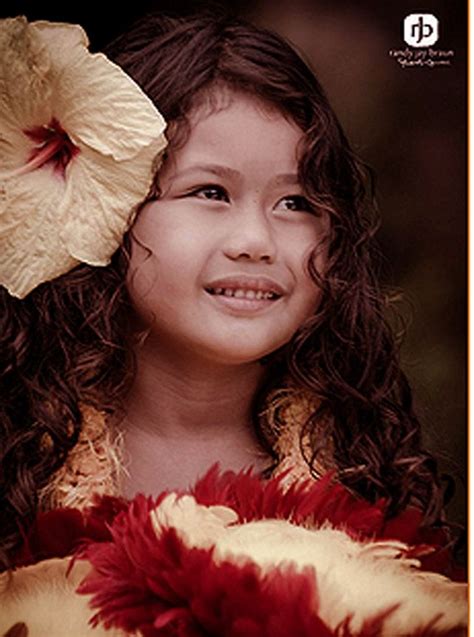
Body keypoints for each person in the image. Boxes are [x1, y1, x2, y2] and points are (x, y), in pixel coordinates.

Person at [0, 11, 465, 636]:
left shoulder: (370, 476)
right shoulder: (17, 460)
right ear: (105, 207)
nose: (256, 240)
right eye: (210, 192)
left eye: (296, 203)